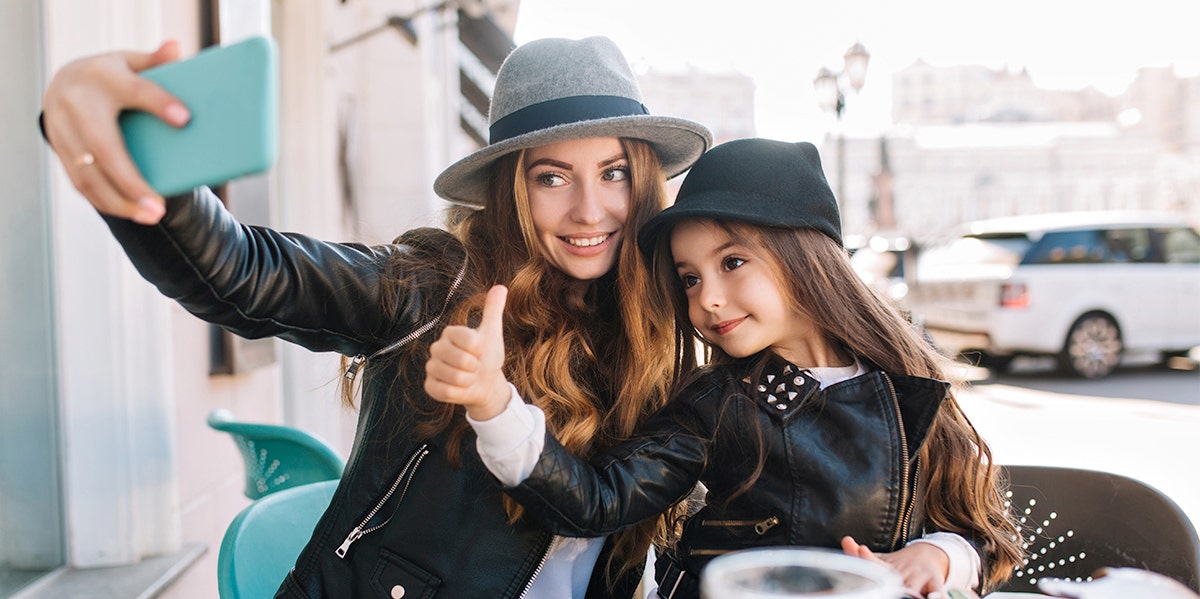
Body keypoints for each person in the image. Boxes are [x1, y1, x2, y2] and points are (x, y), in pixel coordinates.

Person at [39, 35, 712, 598]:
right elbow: (244, 274)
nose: (591, 210)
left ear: (644, 179)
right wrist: (130, 153)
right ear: (512, 187)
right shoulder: (433, 288)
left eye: (614, 172)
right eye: (553, 176)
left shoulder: (667, 333)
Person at [426, 138, 1026, 599]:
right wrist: (493, 406)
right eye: (690, 278)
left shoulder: (909, 387)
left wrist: (939, 556)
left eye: (732, 261)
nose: (707, 298)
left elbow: (987, 533)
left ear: (806, 258)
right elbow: (596, 500)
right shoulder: (716, 405)